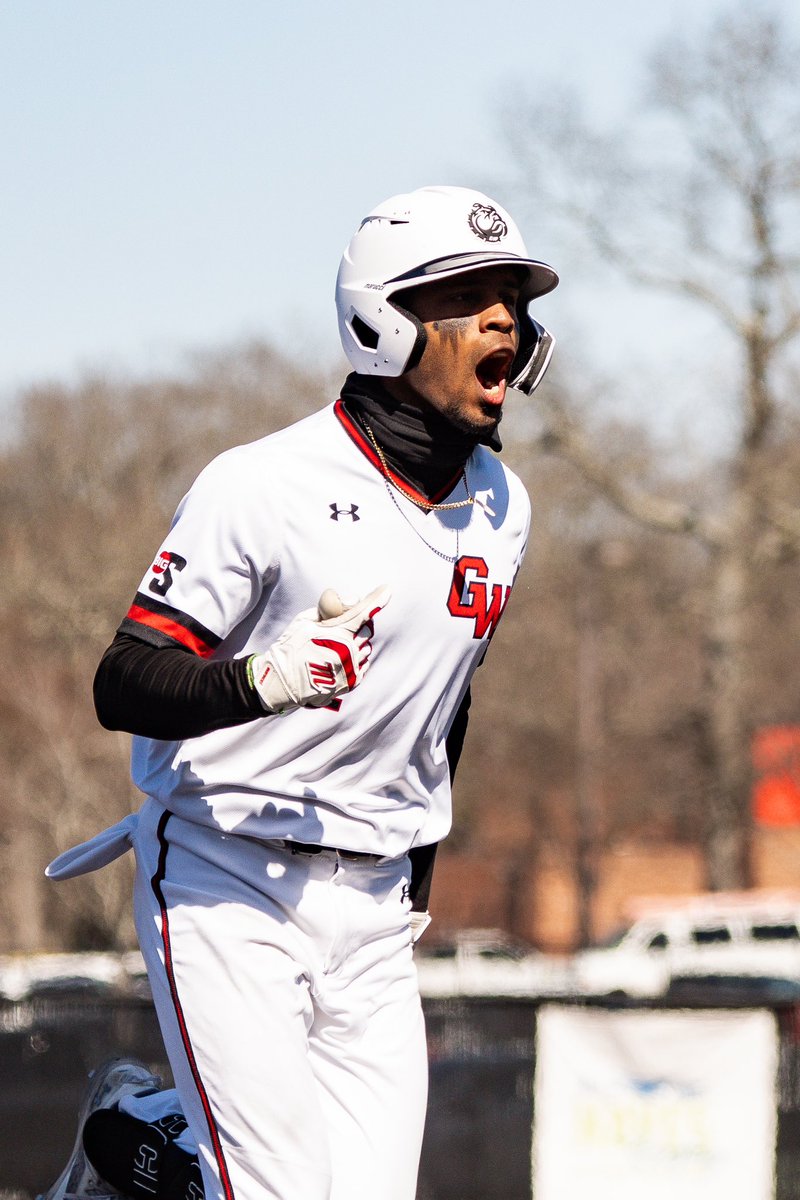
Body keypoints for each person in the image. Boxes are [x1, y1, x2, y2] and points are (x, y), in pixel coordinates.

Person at [42, 185, 558, 1200]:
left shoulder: (502, 505)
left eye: (512, 296)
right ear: (383, 320)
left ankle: (141, 1148)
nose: (504, 317)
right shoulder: (262, 485)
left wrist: (416, 866)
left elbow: (443, 699)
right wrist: (265, 679)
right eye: (466, 293)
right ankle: (154, 1138)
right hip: (223, 871)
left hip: (368, 902)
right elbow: (123, 681)